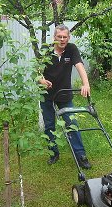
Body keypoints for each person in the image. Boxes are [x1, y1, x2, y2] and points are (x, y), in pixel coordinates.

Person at [39, 24, 92, 169]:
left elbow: (79, 65)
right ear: (54, 37)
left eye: (65, 37)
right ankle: (53, 153)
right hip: (47, 95)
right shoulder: (46, 50)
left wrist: (85, 84)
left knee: (72, 123)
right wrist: (41, 80)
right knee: (49, 125)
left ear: (68, 38)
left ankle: (81, 155)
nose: (62, 40)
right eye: (59, 37)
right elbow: (37, 71)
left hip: (64, 94)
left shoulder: (71, 49)